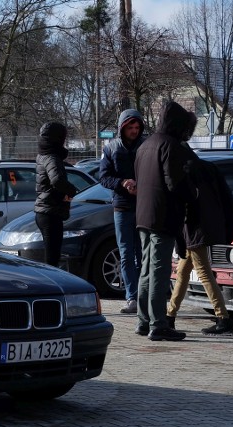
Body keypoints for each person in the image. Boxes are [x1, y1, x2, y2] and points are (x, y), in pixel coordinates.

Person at [133, 101, 195, 341]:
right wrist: (193, 194)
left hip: (143, 215)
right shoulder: (172, 146)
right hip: (163, 216)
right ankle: (158, 324)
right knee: (159, 270)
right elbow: (174, 184)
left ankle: (143, 320)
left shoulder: (145, 145)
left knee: (146, 270)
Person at [166, 152, 233, 335]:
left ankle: (223, 318)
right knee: (183, 271)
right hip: (204, 226)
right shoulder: (206, 168)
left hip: (193, 228)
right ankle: (170, 315)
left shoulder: (185, 171)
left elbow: (186, 205)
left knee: (203, 272)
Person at [99, 109, 146, 314]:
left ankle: (143, 296)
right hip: (122, 206)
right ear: (122, 128)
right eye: (130, 128)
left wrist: (141, 186)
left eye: (137, 128)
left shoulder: (146, 146)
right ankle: (132, 297)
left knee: (142, 253)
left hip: (142, 205)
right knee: (126, 253)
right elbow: (103, 177)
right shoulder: (111, 148)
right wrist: (122, 183)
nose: (134, 131)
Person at [34, 121, 76, 267]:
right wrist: (71, 191)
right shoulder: (52, 157)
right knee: (52, 260)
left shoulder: (43, 155)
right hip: (50, 212)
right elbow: (57, 180)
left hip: (44, 210)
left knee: (51, 256)